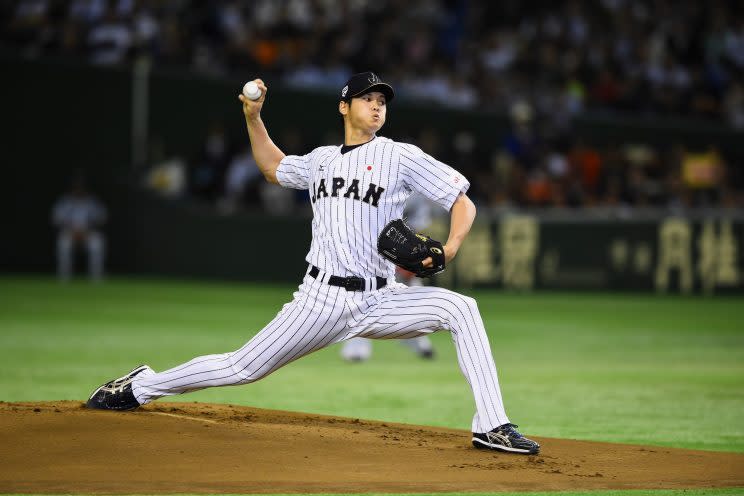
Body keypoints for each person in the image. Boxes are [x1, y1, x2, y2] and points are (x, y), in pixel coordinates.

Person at [86, 72, 540, 455]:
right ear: (344, 107)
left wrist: (453, 245)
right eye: (367, 98)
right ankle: (141, 386)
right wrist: (253, 117)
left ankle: (491, 425)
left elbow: (462, 200)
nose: (377, 106)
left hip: (380, 298)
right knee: (242, 368)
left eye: (382, 100)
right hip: (319, 300)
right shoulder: (322, 161)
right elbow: (273, 167)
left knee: (462, 309)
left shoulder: (398, 155)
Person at [341, 193, 436, 362]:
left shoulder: (416, 191)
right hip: (366, 247)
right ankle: (357, 347)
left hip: (400, 247)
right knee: (363, 296)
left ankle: (415, 339)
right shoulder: (370, 182)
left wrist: (411, 258)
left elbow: (417, 228)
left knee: (415, 294)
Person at [51, 177, 107, 281]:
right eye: (76, 188)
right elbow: (57, 219)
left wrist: (88, 230)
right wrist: (71, 230)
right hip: (69, 233)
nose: (79, 190)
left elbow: (101, 218)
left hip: (88, 233)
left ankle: (96, 277)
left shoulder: (92, 202)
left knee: (97, 243)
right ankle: (64, 277)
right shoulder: (65, 202)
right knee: (63, 243)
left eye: (81, 188)